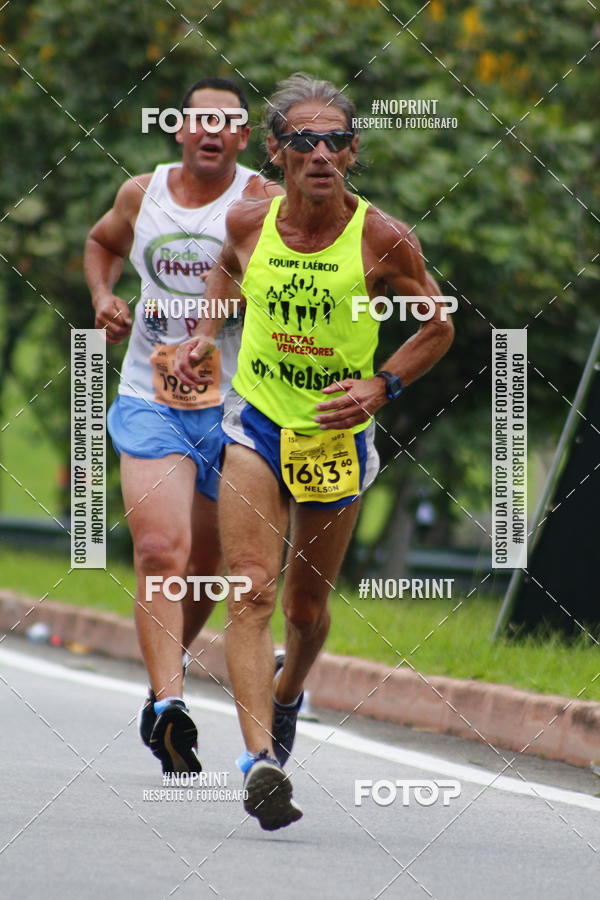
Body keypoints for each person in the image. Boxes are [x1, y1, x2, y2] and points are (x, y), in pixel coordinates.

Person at [174, 72, 454, 828]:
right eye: (304, 139)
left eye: (335, 140)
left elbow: (437, 326)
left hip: (336, 434)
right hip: (257, 422)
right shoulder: (247, 221)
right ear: (277, 152)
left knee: (304, 609)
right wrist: (206, 335)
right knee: (250, 590)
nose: (321, 152)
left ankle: (290, 689)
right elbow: (227, 272)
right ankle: (259, 761)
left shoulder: (383, 237)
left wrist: (381, 387)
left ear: (352, 152)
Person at [84, 77, 283, 775]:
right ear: (178, 127)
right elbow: (100, 242)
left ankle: (157, 690)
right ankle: (171, 705)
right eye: (200, 119)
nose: (211, 132)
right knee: (161, 551)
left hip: (237, 408)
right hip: (151, 396)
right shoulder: (143, 194)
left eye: (227, 123)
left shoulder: (264, 203)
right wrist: (104, 297)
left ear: (243, 138)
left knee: (204, 569)